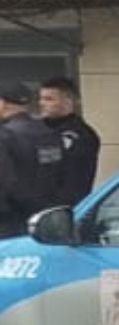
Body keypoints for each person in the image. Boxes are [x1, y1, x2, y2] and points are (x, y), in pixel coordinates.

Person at [0, 82, 66, 238]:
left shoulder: (5, 135)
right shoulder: (50, 133)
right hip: (47, 216)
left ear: (2, 104)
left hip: (11, 221)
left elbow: (6, 183)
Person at [38, 76, 101, 205]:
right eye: (41, 99)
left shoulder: (81, 135)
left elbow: (72, 176)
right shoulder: (37, 128)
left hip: (64, 205)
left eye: (49, 99)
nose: (42, 103)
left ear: (67, 101)